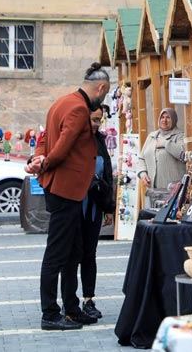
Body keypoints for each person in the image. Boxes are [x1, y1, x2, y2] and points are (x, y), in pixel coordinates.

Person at [25, 62, 110, 331]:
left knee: (73, 251)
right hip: (66, 189)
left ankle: (71, 309)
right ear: (101, 88)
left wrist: (39, 157)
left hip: (66, 189)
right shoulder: (78, 107)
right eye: (105, 94)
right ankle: (50, 313)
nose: (103, 99)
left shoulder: (61, 102)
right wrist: (45, 162)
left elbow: (44, 137)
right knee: (57, 253)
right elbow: (61, 147)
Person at [80, 105, 115, 319]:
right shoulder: (74, 139)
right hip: (75, 206)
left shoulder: (100, 140)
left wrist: (108, 207)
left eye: (98, 120)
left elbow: (108, 173)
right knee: (71, 255)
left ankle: (88, 299)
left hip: (94, 205)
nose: (95, 124)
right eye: (93, 119)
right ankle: (69, 301)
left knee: (89, 255)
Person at [137, 108, 186, 190]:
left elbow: (183, 154)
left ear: (174, 119)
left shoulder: (180, 136)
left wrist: (165, 143)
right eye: (162, 117)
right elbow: (141, 158)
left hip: (173, 190)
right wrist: (143, 173)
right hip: (152, 189)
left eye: (168, 117)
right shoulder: (152, 136)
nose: (164, 120)